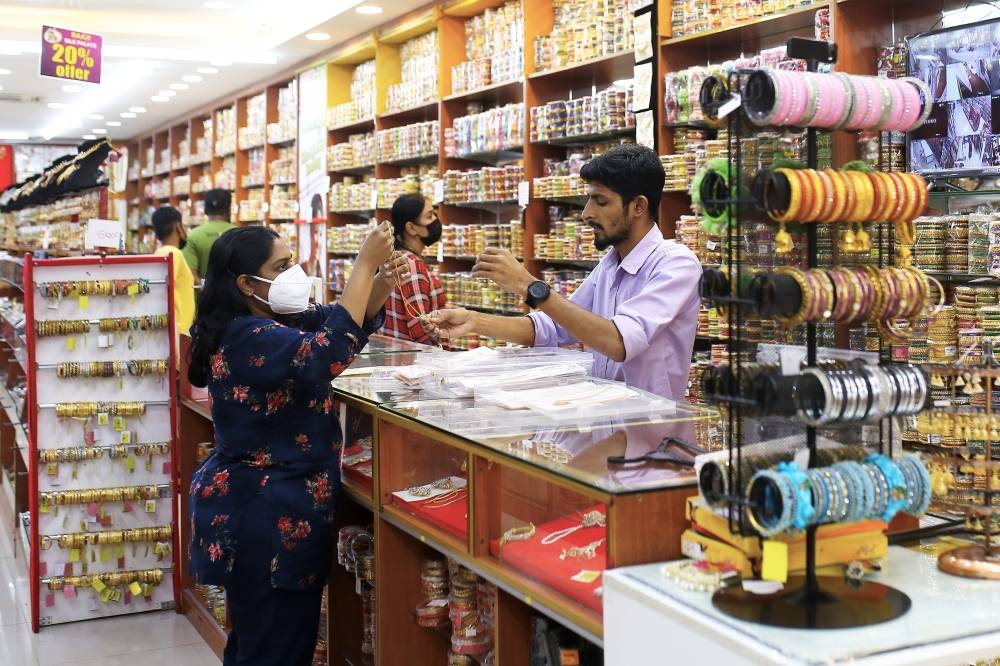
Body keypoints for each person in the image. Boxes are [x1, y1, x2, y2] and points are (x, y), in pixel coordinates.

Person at [186, 223, 406, 665]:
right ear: (246, 283)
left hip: (267, 509)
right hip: (267, 516)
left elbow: (331, 320)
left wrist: (377, 286)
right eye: (281, 266)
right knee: (275, 646)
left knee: (262, 640)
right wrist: (363, 264)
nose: (294, 273)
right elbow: (325, 354)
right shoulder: (251, 336)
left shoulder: (261, 322)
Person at [430, 144, 701, 400]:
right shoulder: (610, 264)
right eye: (588, 200)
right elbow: (555, 327)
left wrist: (530, 286)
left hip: (653, 429)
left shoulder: (676, 265)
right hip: (607, 420)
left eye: (600, 201)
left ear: (638, 206)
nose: (586, 213)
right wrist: (475, 321)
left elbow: (619, 342)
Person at [381, 193, 447, 344]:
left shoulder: (396, 258)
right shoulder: (411, 264)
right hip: (416, 361)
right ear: (411, 228)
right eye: (430, 216)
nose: (436, 221)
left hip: (396, 356)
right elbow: (420, 327)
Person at [150, 205, 194, 335]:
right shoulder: (173, 253)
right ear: (177, 226)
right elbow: (165, 284)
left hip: (170, 325)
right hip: (179, 327)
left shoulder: (159, 252)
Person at [183, 188, 235, 284]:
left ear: (206, 210)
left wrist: (206, 292)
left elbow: (190, 274)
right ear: (228, 209)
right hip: (233, 296)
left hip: (203, 296)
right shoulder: (238, 233)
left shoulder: (193, 235)